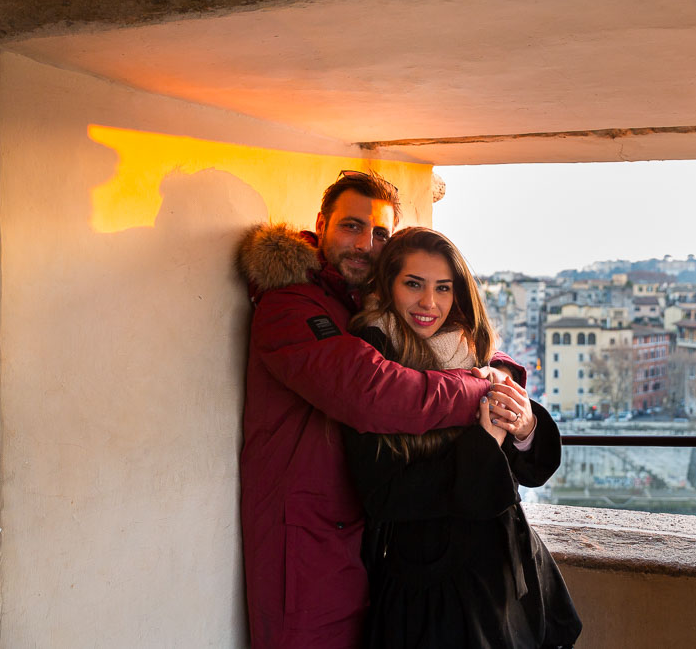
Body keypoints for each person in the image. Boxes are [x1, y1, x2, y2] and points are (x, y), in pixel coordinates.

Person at [237, 171, 532, 649]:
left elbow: (426, 345)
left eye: (379, 234)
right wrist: (479, 389)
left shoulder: (357, 305)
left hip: (364, 531)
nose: (365, 245)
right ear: (320, 224)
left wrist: (497, 371)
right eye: (351, 227)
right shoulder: (290, 306)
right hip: (306, 535)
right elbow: (370, 389)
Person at [342, 227, 582, 649]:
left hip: (505, 574)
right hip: (431, 588)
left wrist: (525, 427)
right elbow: (384, 493)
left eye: (443, 288)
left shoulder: (472, 352)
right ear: (388, 286)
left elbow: (533, 471)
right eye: (413, 284)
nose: (428, 303)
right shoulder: (373, 364)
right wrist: (483, 446)